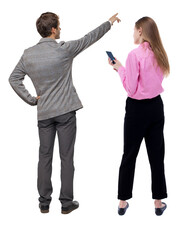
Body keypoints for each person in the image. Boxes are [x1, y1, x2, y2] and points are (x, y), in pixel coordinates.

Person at [9, 12, 121, 214]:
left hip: (44, 114)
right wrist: (109, 22)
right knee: (66, 157)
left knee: (44, 157)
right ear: (53, 30)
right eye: (59, 26)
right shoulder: (64, 50)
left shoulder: (28, 54)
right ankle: (66, 203)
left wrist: (32, 99)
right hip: (66, 113)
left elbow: (14, 78)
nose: (61, 29)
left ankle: (44, 202)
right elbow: (90, 38)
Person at [108, 16, 169, 216]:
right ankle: (158, 203)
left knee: (129, 154)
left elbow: (131, 88)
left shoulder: (134, 55)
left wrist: (119, 69)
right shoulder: (160, 53)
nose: (133, 34)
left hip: (137, 110)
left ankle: (123, 201)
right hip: (156, 108)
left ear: (141, 30)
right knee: (157, 156)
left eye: (134, 30)